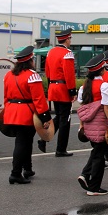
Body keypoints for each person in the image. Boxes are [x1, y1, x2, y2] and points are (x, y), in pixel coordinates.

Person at [3, 46, 53, 184]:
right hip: (26, 113)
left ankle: (28, 168)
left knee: (25, 141)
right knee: (22, 143)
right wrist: (45, 117)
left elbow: (6, 97)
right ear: (30, 60)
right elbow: (39, 99)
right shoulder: (32, 76)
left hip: (12, 112)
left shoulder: (9, 75)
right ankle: (15, 173)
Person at [77, 53, 108, 196]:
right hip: (100, 123)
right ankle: (94, 187)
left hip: (88, 125)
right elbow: (107, 107)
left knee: (96, 151)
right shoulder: (104, 85)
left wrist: (81, 125)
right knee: (99, 156)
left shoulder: (84, 86)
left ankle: (85, 175)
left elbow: (82, 107)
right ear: (101, 70)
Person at [39, 28, 77, 156]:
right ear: (67, 39)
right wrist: (72, 91)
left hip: (53, 88)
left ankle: (44, 138)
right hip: (63, 89)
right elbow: (69, 75)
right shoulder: (67, 53)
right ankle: (61, 149)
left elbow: (48, 72)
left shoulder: (51, 52)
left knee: (60, 116)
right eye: (70, 38)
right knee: (65, 120)